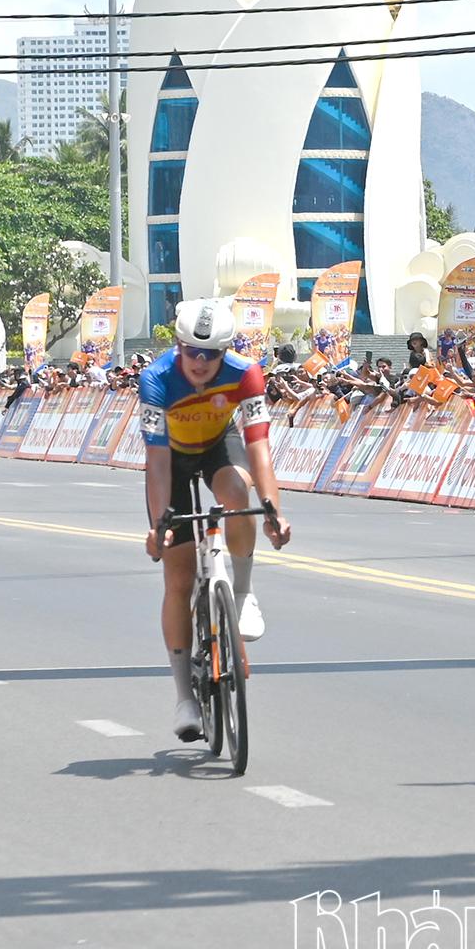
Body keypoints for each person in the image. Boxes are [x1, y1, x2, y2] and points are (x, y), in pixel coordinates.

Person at [140, 296, 292, 743]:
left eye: (211, 355)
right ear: (179, 346)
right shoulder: (156, 380)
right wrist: (159, 525)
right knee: (179, 578)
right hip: (174, 460)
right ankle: (185, 696)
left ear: (225, 352)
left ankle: (241, 593)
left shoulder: (245, 372)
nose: (201, 363)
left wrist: (273, 510)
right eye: (192, 352)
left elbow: (259, 445)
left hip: (219, 445)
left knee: (236, 492)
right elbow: (157, 461)